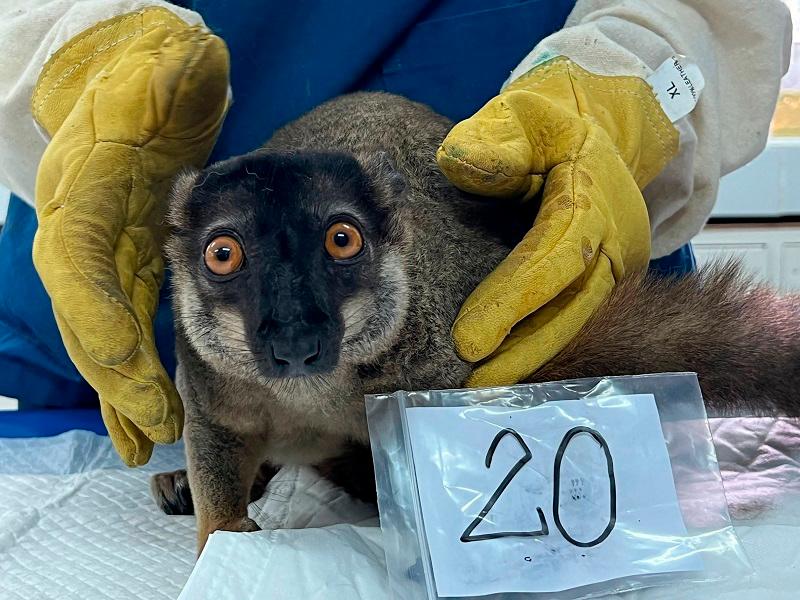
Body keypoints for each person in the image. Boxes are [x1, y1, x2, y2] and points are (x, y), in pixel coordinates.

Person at [0, 0, 790, 465]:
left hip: (532, 296)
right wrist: (79, 64)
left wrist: (635, 83)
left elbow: (714, 14)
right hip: (143, 336)